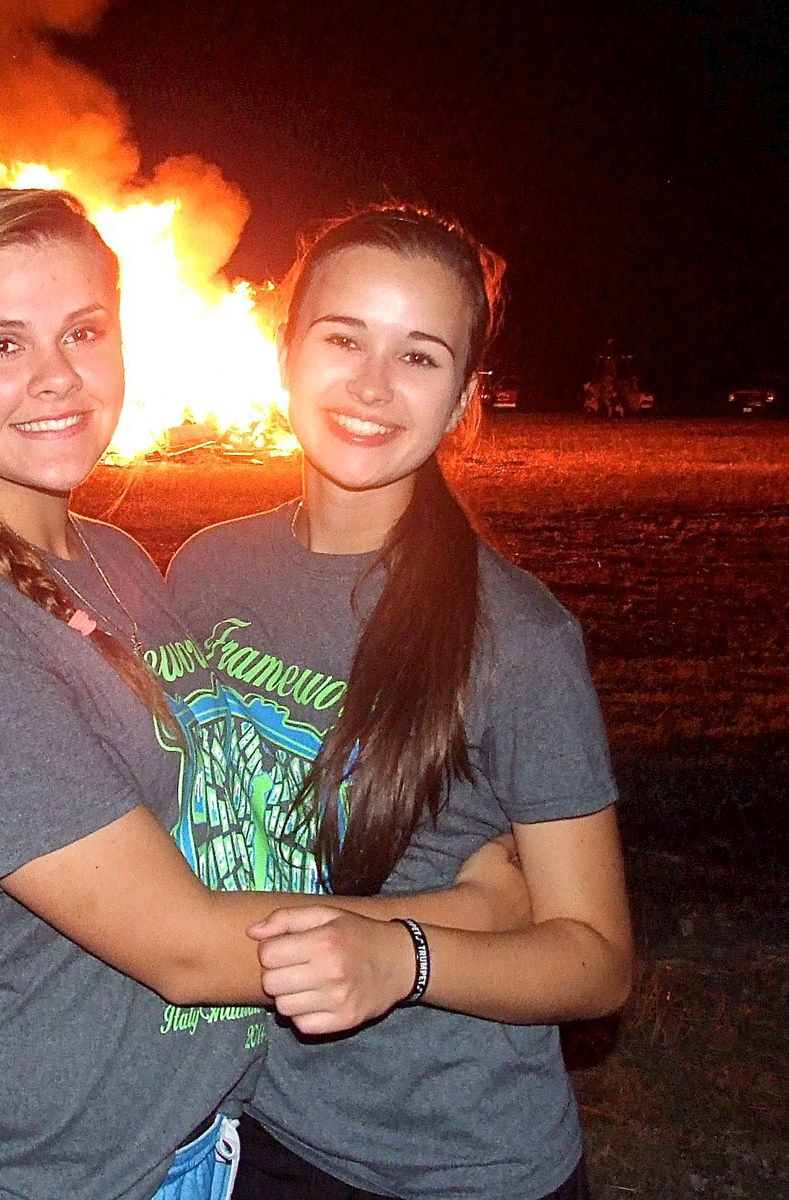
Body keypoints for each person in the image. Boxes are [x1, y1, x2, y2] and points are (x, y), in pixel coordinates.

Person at [0, 189, 529, 1200]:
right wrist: (457, 918)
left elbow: (224, 811)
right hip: (48, 1171)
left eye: (84, 331)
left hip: (193, 1150)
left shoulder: (117, 561)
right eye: (0, 344)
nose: (56, 377)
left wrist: (432, 820)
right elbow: (182, 949)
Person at [168, 203, 634, 1200]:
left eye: (419, 357)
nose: (373, 386)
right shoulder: (207, 572)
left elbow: (597, 961)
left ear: (465, 394)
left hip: (452, 1164)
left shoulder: (518, 639)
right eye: (344, 339)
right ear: (283, 349)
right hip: (249, 1131)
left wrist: (406, 958)